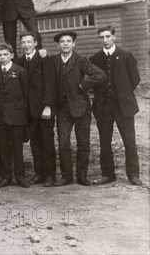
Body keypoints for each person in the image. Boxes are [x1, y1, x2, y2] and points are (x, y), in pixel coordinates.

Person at [51, 30, 106, 186]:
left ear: (73, 44)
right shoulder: (53, 60)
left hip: (81, 107)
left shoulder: (81, 60)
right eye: (62, 42)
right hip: (63, 109)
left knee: (83, 143)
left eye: (68, 41)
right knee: (63, 143)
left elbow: (100, 75)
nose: (66, 44)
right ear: (58, 45)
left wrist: (83, 86)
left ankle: (82, 176)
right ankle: (66, 176)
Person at [90, 26, 142, 186]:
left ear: (114, 37)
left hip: (124, 106)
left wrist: (123, 95)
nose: (105, 40)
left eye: (107, 36)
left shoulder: (126, 56)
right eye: (101, 37)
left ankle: (133, 174)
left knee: (129, 141)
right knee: (105, 142)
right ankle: (107, 174)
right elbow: (93, 82)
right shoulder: (95, 59)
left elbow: (135, 79)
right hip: (103, 107)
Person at [17, 32, 57, 187]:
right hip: (28, 111)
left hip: (43, 109)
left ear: (35, 43)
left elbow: (50, 84)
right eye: (23, 42)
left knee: (47, 142)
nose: (26, 45)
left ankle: (50, 175)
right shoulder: (20, 62)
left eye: (29, 42)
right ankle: (39, 173)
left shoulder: (44, 59)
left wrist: (47, 106)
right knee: (34, 143)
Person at [0, 43, 29, 188]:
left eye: (5, 54)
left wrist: (20, 110)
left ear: (11, 55)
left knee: (17, 148)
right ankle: (6, 177)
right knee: (2, 148)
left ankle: (20, 177)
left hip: (16, 116)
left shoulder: (20, 71)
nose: (2, 57)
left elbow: (25, 94)